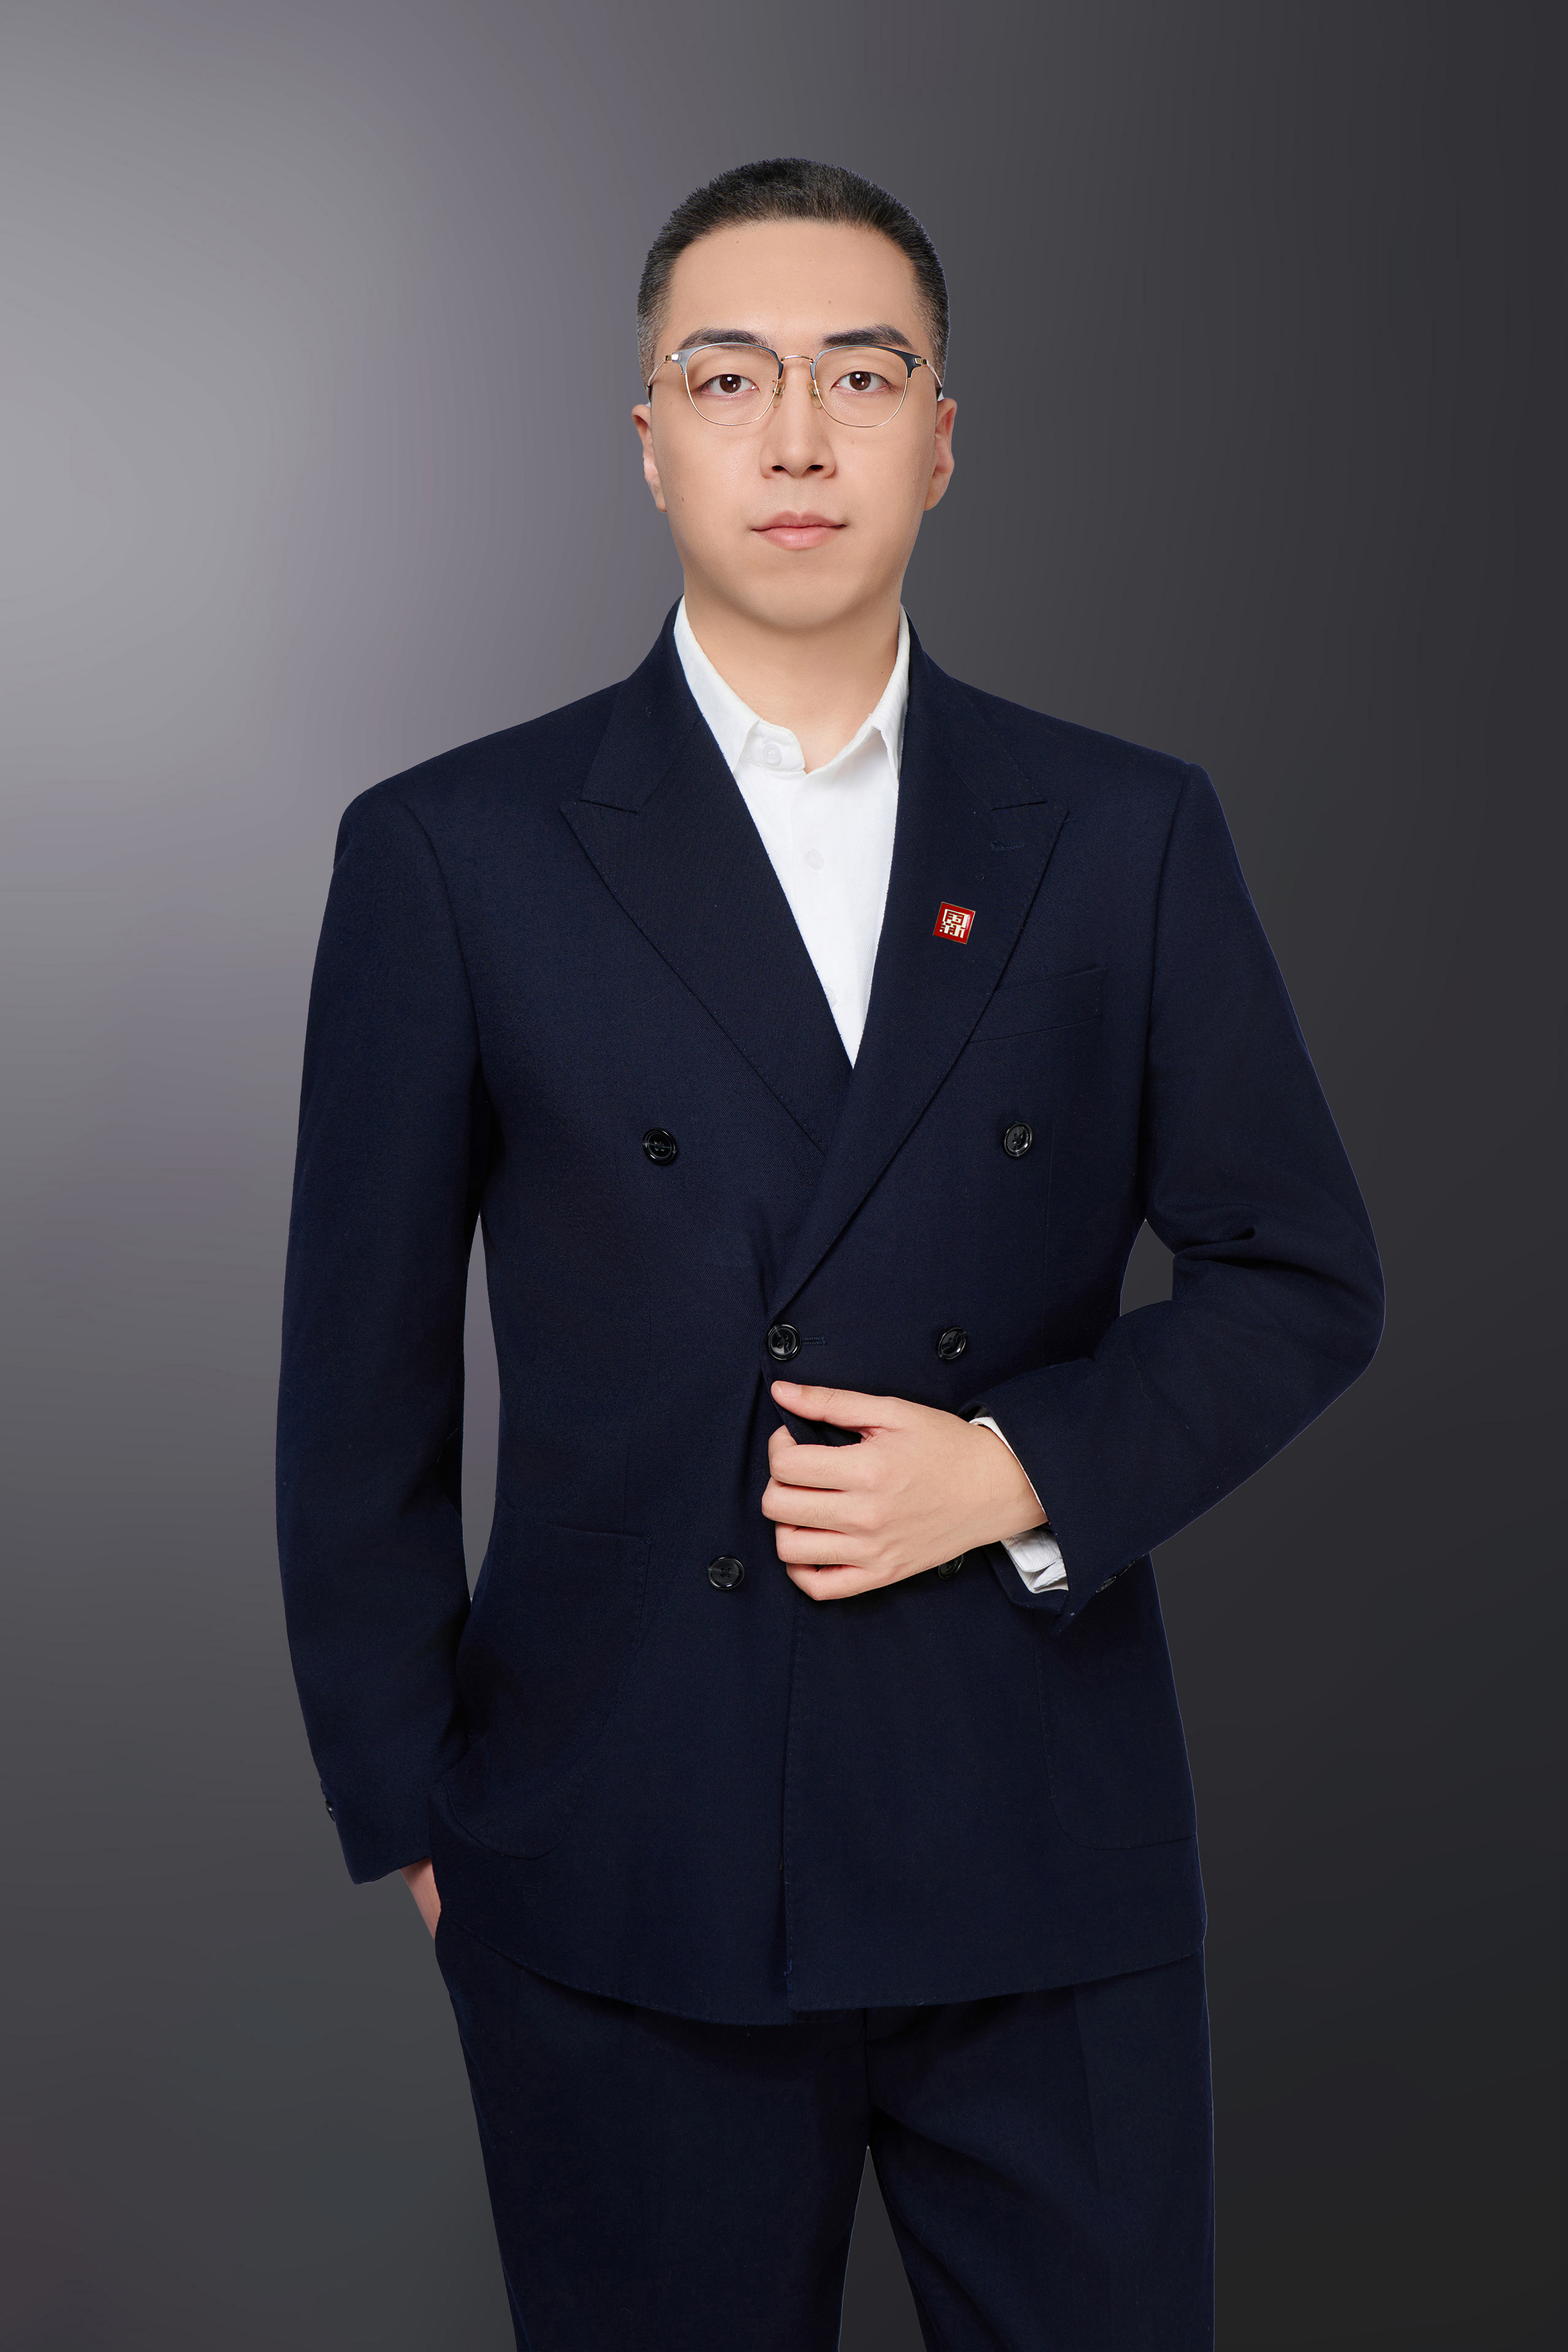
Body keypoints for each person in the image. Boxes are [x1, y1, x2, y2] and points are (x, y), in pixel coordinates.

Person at [277, 158, 1383, 2351]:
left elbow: (1302, 1272)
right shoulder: (454, 851)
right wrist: (418, 1806)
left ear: (940, 438)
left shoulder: (1123, 831)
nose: (797, 435)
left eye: (860, 378)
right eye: (730, 378)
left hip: (1035, 1841)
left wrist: (1020, 1470)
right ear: (651, 439)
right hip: (621, 1853)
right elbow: (358, 1384)